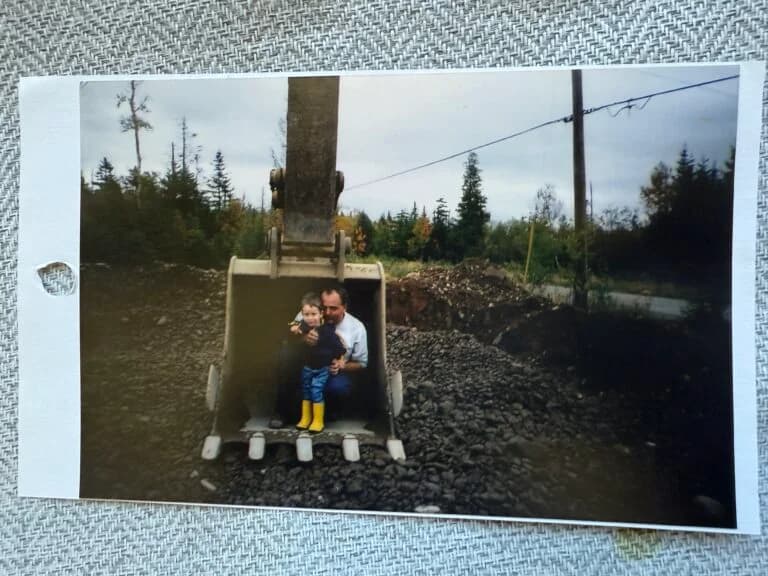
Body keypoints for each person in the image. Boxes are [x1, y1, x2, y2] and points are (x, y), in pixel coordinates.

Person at [291, 292, 346, 433]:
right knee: (306, 391)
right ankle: (305, 418)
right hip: (307, 367)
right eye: (307, 314)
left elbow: (339, 347)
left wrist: (339, 358)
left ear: (321, 314)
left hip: (322, 368)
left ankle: (318, 421)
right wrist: (294, 327)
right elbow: (294, 325)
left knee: (316, 391)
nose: (310, 318)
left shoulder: (327, 331)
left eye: (313, 314)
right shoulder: (304, 325)